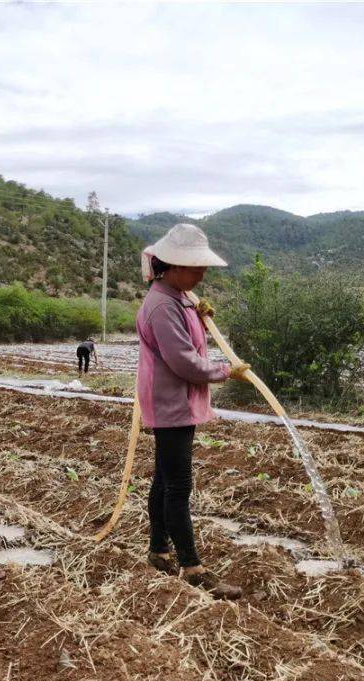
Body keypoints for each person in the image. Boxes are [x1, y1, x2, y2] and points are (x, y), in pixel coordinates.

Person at [137, 224, 250, 600]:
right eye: (196, 267)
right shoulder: (161, 304)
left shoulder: (176, 296)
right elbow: (184, 362)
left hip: (176, 401)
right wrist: (225, 371)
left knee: (164, 479)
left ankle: (158, 551)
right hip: (171, 402)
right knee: (179, 485)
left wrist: (198, 315)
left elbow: (187, 337)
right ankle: (192, 566)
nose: (202, 274)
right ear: (173, 266)